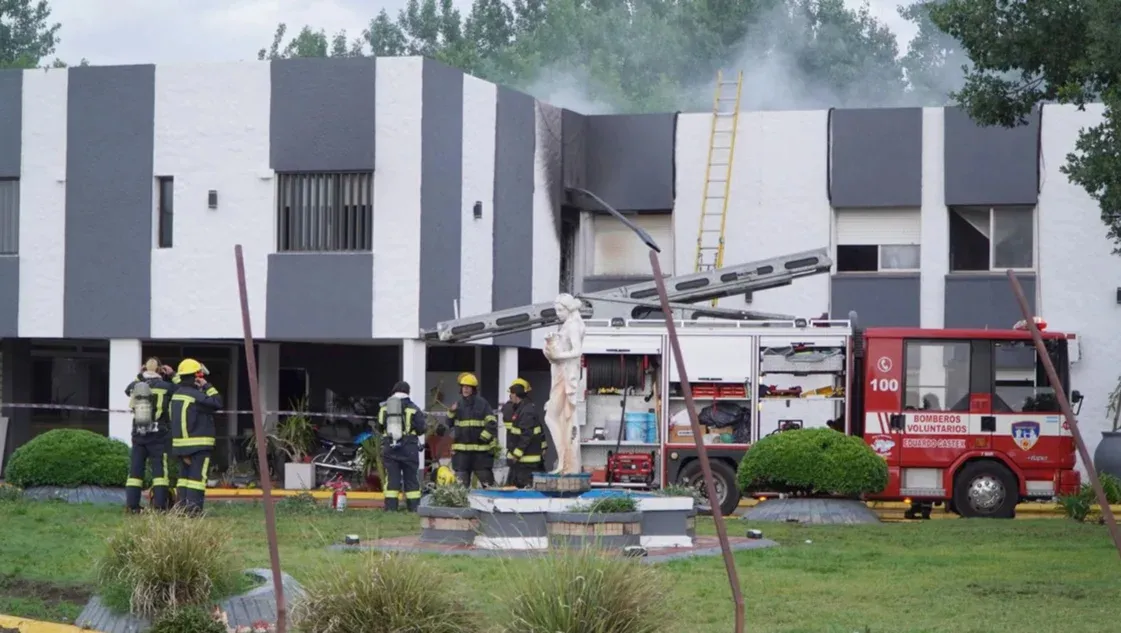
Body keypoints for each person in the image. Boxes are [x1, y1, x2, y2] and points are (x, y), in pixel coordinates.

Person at [168, 358, 223, 514]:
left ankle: (182, 509)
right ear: (196, 376)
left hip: (181, 446)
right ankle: (193, 511)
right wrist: (207, 385)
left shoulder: (177, 394)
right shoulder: (196, 396)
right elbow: (218, 402)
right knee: (197, 480)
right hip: (198, 446)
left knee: (184, 479)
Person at [124, 357, 176, 513]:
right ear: (160, 370)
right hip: (159, 433)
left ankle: (132, 506)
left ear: (145, 369)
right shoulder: (167, 387)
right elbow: (181, 389)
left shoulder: (136, 385)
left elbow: (128, 390)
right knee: (160, 470)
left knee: (135, 471)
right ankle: (160, 506)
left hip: (139, 433)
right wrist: (172, 374)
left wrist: (140, 375)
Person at [375, 381, 427, 512]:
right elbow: (422, 428)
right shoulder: (414, 408)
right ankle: (414, 508)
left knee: (392, 478)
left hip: (390, 447)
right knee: (411, 479)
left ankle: (391, 508)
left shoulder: (385, 408)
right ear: (407, 392)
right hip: (409, 448)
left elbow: (379, 427)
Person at [445, 372, 497, 488]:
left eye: (468, 387)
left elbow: (492, 422)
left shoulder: (482, 404)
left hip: (480, 454)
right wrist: (451, 412)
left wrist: (483, 438)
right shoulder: (457, 404)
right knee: (461, 487)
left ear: (473, 389)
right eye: (463, 387)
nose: (465, 389)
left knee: (488, 484)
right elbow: (448, 423)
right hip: (462, 455)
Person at [505, 383, 546, 488]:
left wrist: (517, 454)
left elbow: (526, 436)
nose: (510, 397)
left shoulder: (526, 411)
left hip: (527, 461)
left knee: (524, 488)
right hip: (523, 461)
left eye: (511, 394)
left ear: (515, 395)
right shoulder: (522, 408)